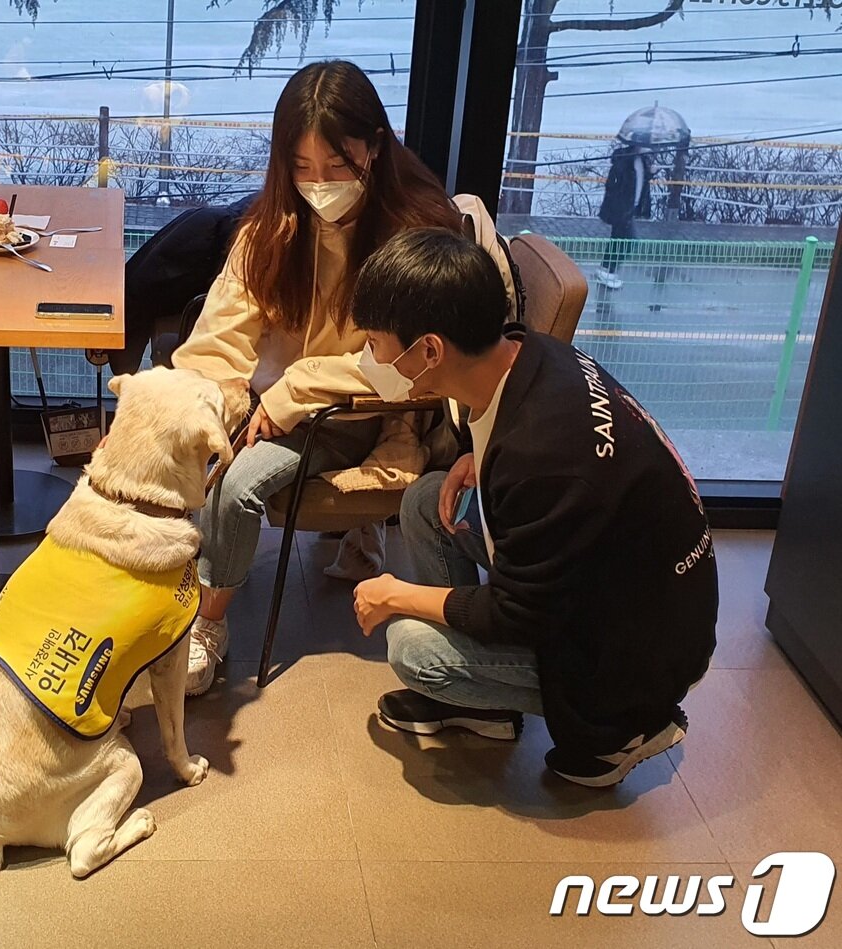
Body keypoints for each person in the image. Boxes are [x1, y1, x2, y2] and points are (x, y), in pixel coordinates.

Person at [170, 59, 515, 695]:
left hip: (365, 411)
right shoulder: (273, 227)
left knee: (235, 484)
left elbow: (407, 368)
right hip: (283, 402)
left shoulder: (414, 236)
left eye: (337, 166)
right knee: (208, 451)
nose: (319, 185)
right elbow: (218, 337)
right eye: (301, 169)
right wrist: (186, 407)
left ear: (376, 147)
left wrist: (295, 391)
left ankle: (208, 627)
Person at [348, 228, 717, 787]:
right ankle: (486, 709)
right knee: (428, 499)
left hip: (632, 654)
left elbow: (515, 613)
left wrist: (395, 593)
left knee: (412, 646)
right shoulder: (532, 352)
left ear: (429, 350)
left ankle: (622, 735)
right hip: (622, 590)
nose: (369, 357)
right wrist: (477, 452)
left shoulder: (544, 461)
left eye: (375, 343)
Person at [597, 140, 653, 290]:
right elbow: (614, 184)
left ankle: (606, 270)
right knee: (628, 241)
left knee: (618, 239)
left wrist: (651, 172)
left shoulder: (641, 160)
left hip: (630, 208)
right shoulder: (624, 161)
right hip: (621, 209)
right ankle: (608, 271)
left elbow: (641, 182)